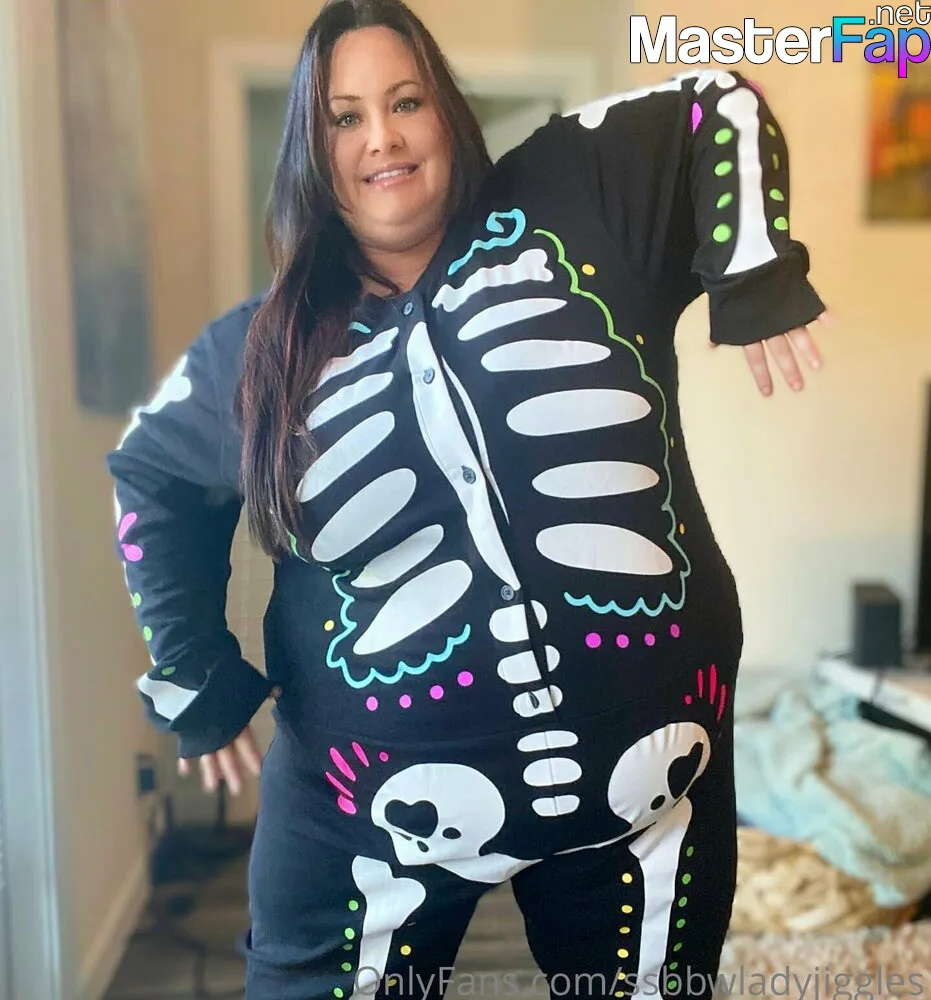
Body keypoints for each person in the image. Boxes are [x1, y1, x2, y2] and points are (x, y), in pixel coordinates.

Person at [106, 1, 829, 996]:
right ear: (312, 151)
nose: (382, 137)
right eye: (345, 117)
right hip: (376, 816)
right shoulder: (259, 348)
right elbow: (149, 470)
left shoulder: (574, 194)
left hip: (647, 782)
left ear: (447, 111)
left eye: (406, 102)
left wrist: (754, 274)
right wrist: (193, 674)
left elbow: (716, 101)